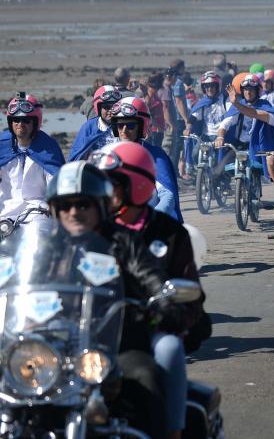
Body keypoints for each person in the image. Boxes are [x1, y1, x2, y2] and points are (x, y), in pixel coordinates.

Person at [45, 161, 185, 438]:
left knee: (145, 378)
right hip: (55, 347)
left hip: (115, 345)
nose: (74, 212)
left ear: (100, 205)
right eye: (65, 205)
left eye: (83, 204)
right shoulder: (47, 249)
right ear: (55, 210)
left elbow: (150, 276)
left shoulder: (123, 241)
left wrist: (163, 301)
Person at [89, 141, 205, 439]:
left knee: (169, 348)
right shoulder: (94, 229)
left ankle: (171, 430)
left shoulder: (168, 232)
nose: (103, 192)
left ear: (137, 184)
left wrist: (169, 311)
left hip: (150, 326)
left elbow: (191, 294)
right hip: (94, 327)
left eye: (112, 184)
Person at [109, 96, 182, 222]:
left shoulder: (155, 156)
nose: (124, 131)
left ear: (142, 126)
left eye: (130, 125)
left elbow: (167, 196)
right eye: (120, 125)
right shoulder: (107, 155)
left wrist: (149, 220)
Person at [0, 93, 65, 235]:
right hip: (5, 210)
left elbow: (56, 183)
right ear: (10, 122)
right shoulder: (2, 145)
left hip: (37, 212)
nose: (20, 124)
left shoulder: (47, 148)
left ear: (35, 122)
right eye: (16, 119)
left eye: (26, 120)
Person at [68, 85, 123, 161]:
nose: (111, 110)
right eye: (107, 107)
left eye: (114, 107)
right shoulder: (89, 127)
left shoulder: (124, 126)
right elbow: (76, 156)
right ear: (99, 108)